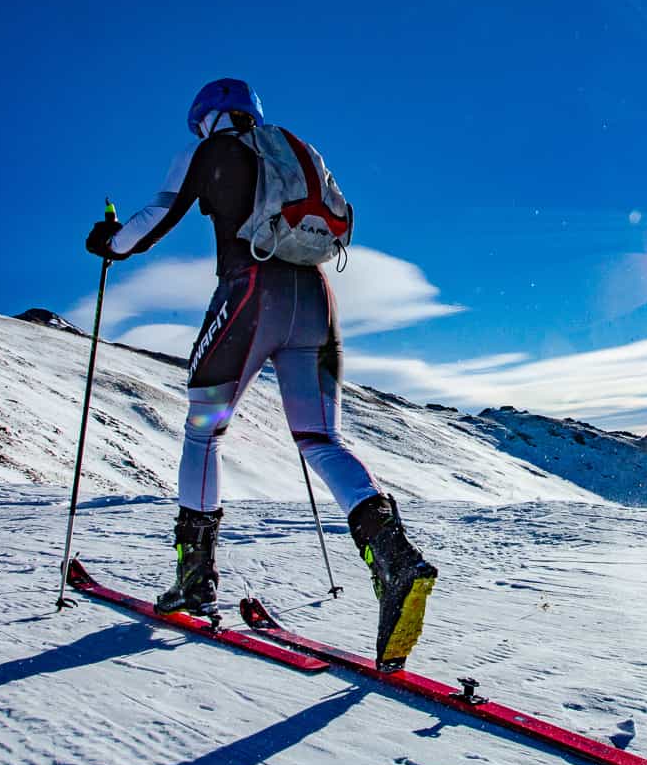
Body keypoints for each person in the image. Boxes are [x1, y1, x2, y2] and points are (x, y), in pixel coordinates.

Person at [85, 77, 436, 668]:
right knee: (321, 439)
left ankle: (195, 581)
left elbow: (159, 214)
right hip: (316, 299)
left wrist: (109, 243)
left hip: (250, 291)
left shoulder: (212, 149)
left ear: (209, 118)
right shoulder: (296, 150)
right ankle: (395, 559)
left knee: (205, 431)